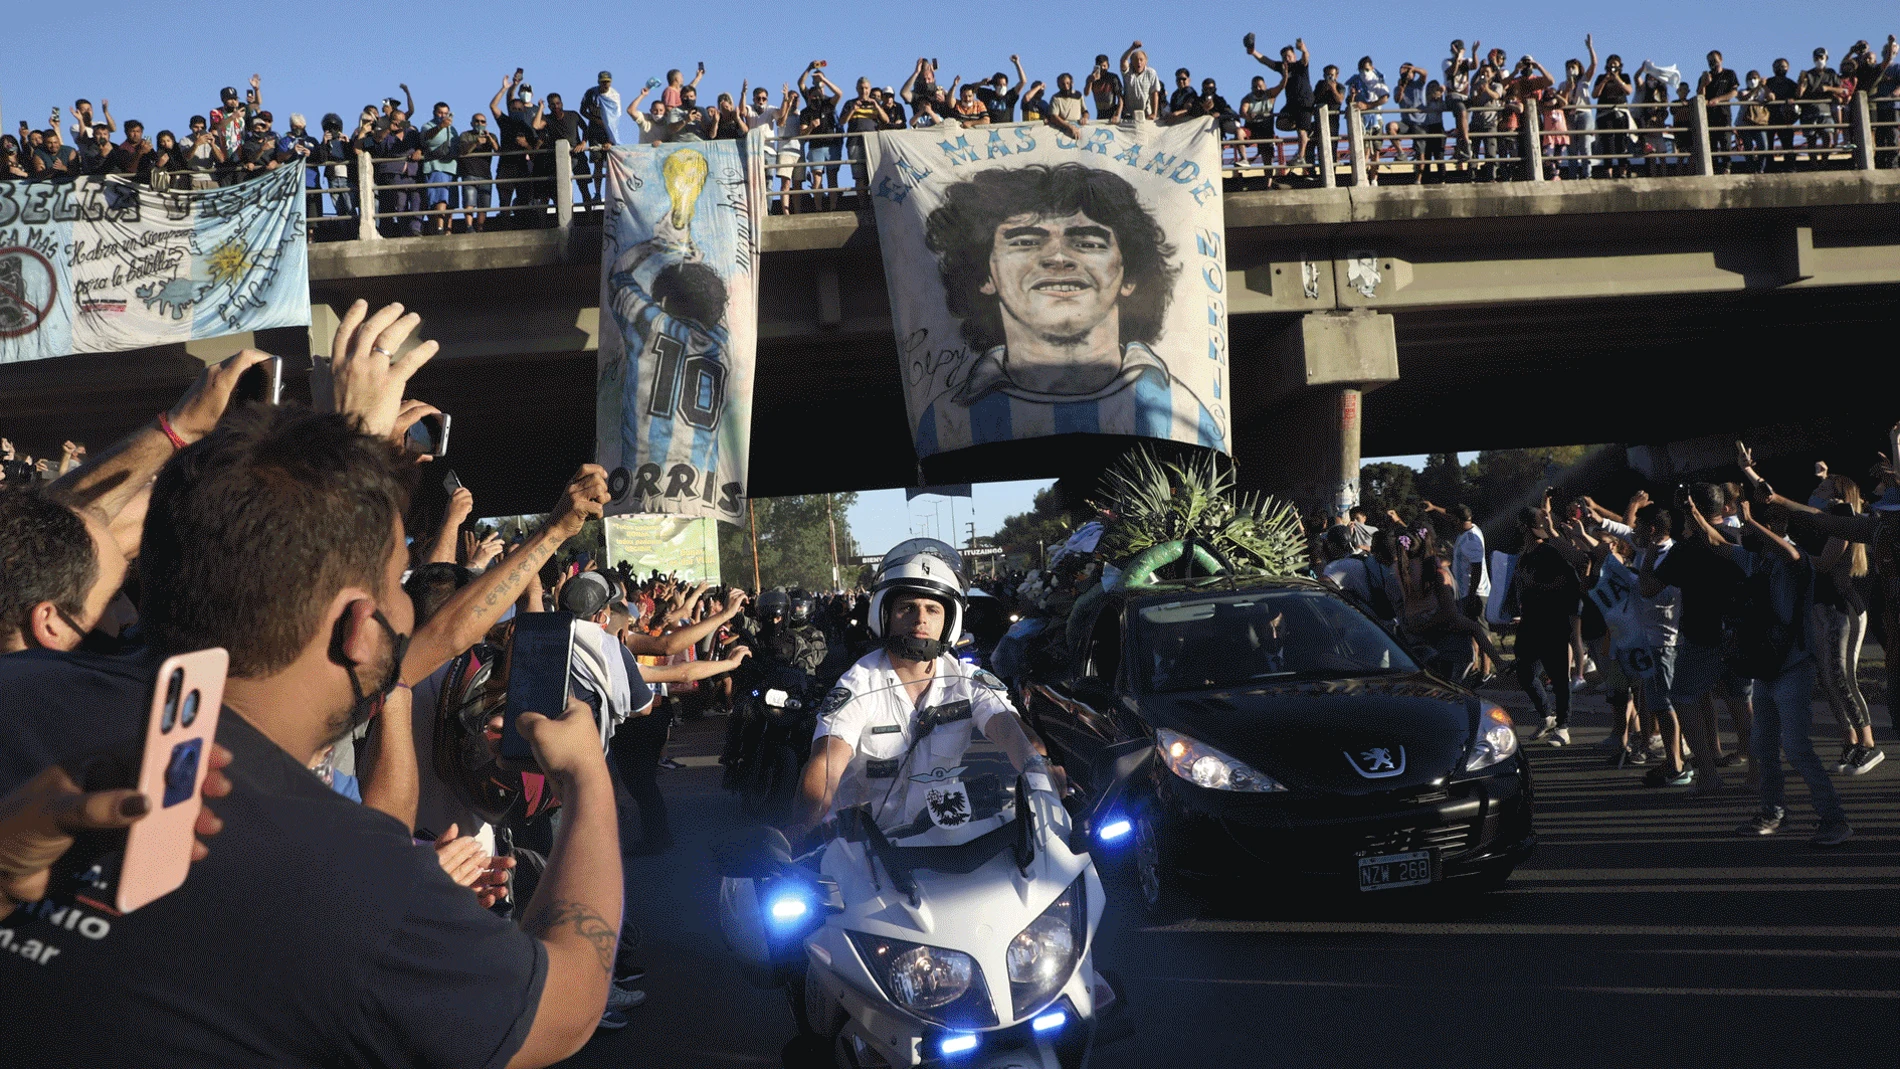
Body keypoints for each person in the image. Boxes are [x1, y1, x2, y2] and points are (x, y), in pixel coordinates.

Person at [0, 300, 625, 1066]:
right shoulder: (359, 890)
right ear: (362, 629)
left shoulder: (23, 690)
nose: (410, 604)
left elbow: (49, 544)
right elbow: (566, 1007)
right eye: (400, 582)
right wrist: (590, 779)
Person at [914, 162, 1221, 453]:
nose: (1057, 258)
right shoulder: (947, 421)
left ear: (1130, 276)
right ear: (984, 275)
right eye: (1025, 242)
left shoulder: (1186, 414)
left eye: (1088, 243)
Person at [786, 545, 1061, 844]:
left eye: (933, 609)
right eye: (907, 608)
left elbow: (1011, 731)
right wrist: (799, 834)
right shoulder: (857, 684)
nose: (920, 620)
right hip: (863, 849)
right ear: (886, 615)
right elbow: (826, 764)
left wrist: (1038, 768)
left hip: (942, 839)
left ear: (949, 622)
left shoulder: (966, 680)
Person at [1725, 501, 1852, 846]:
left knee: (1796, 748)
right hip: (1767, 667)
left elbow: (1791, 555)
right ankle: (1772, 811)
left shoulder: (1796, 560)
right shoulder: (1759, 561)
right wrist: (1694, 515)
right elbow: (1721, 546)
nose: (1751, 529)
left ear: (1778, 524)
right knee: (1763, 746)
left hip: (1793, 667)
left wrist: (1752, 520)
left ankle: (1834, 819)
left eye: (1760, 524)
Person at [1512, 508, 1581, 744]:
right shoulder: (1524, 556)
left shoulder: (1551, 552)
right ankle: (1546, 715)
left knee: (1559, 677)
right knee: (1525, 673)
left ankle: (1563, 726)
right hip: (1530, 621)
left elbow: (1569, 583)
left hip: (1553, 621)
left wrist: (1539, 586)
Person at [1250, 38, 1315, 171]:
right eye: (1285, 57)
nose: (1287, 59)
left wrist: (1303, 49)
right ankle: (1307, 129)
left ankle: (1301, 156)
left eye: (1289, 56)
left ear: (1294, 56)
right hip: (1291, 104)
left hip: (1304, 102)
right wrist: (1253, 52)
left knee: (1302, 132)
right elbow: (1266, 61)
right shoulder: (1283, 68)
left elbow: (1306, 58)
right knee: (1280, 123)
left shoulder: (1300, 66)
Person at [418, 102, 460, 235]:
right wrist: (441, 126)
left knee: (450, 202)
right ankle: (439, 228)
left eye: (445, 113)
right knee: (438, 199)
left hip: (451, 169)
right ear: (434, 113)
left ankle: (448, 230)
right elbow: (426, 138)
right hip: (436, 167)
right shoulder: (427, 126)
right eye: (440, 113)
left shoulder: (452, 129)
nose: (443, 116)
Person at [457, 112, 498, 232]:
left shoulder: (492, 136)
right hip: (469, 173)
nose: (480, 124)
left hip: (485, 175)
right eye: (477, 121)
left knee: (484, 205)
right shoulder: (465, 135)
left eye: (482, 121)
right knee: (469, 202)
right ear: (472, 123)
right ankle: (469, 227)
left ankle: (480, 228)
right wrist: (476, 143)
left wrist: (489, 138)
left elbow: (497, 150)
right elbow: (463, 151)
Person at [1120, 41, 1163, 123]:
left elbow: (1155, 93)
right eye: (1136, 60)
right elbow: (1123, 60)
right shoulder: (1128, 72)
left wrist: (1154, 113)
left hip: (1146, 115)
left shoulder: (1151, 73)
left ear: (1146, 61)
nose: (1139, 62)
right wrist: (1132, 48)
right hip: (1128, 116)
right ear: (1131, 62)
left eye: (1141, 60)